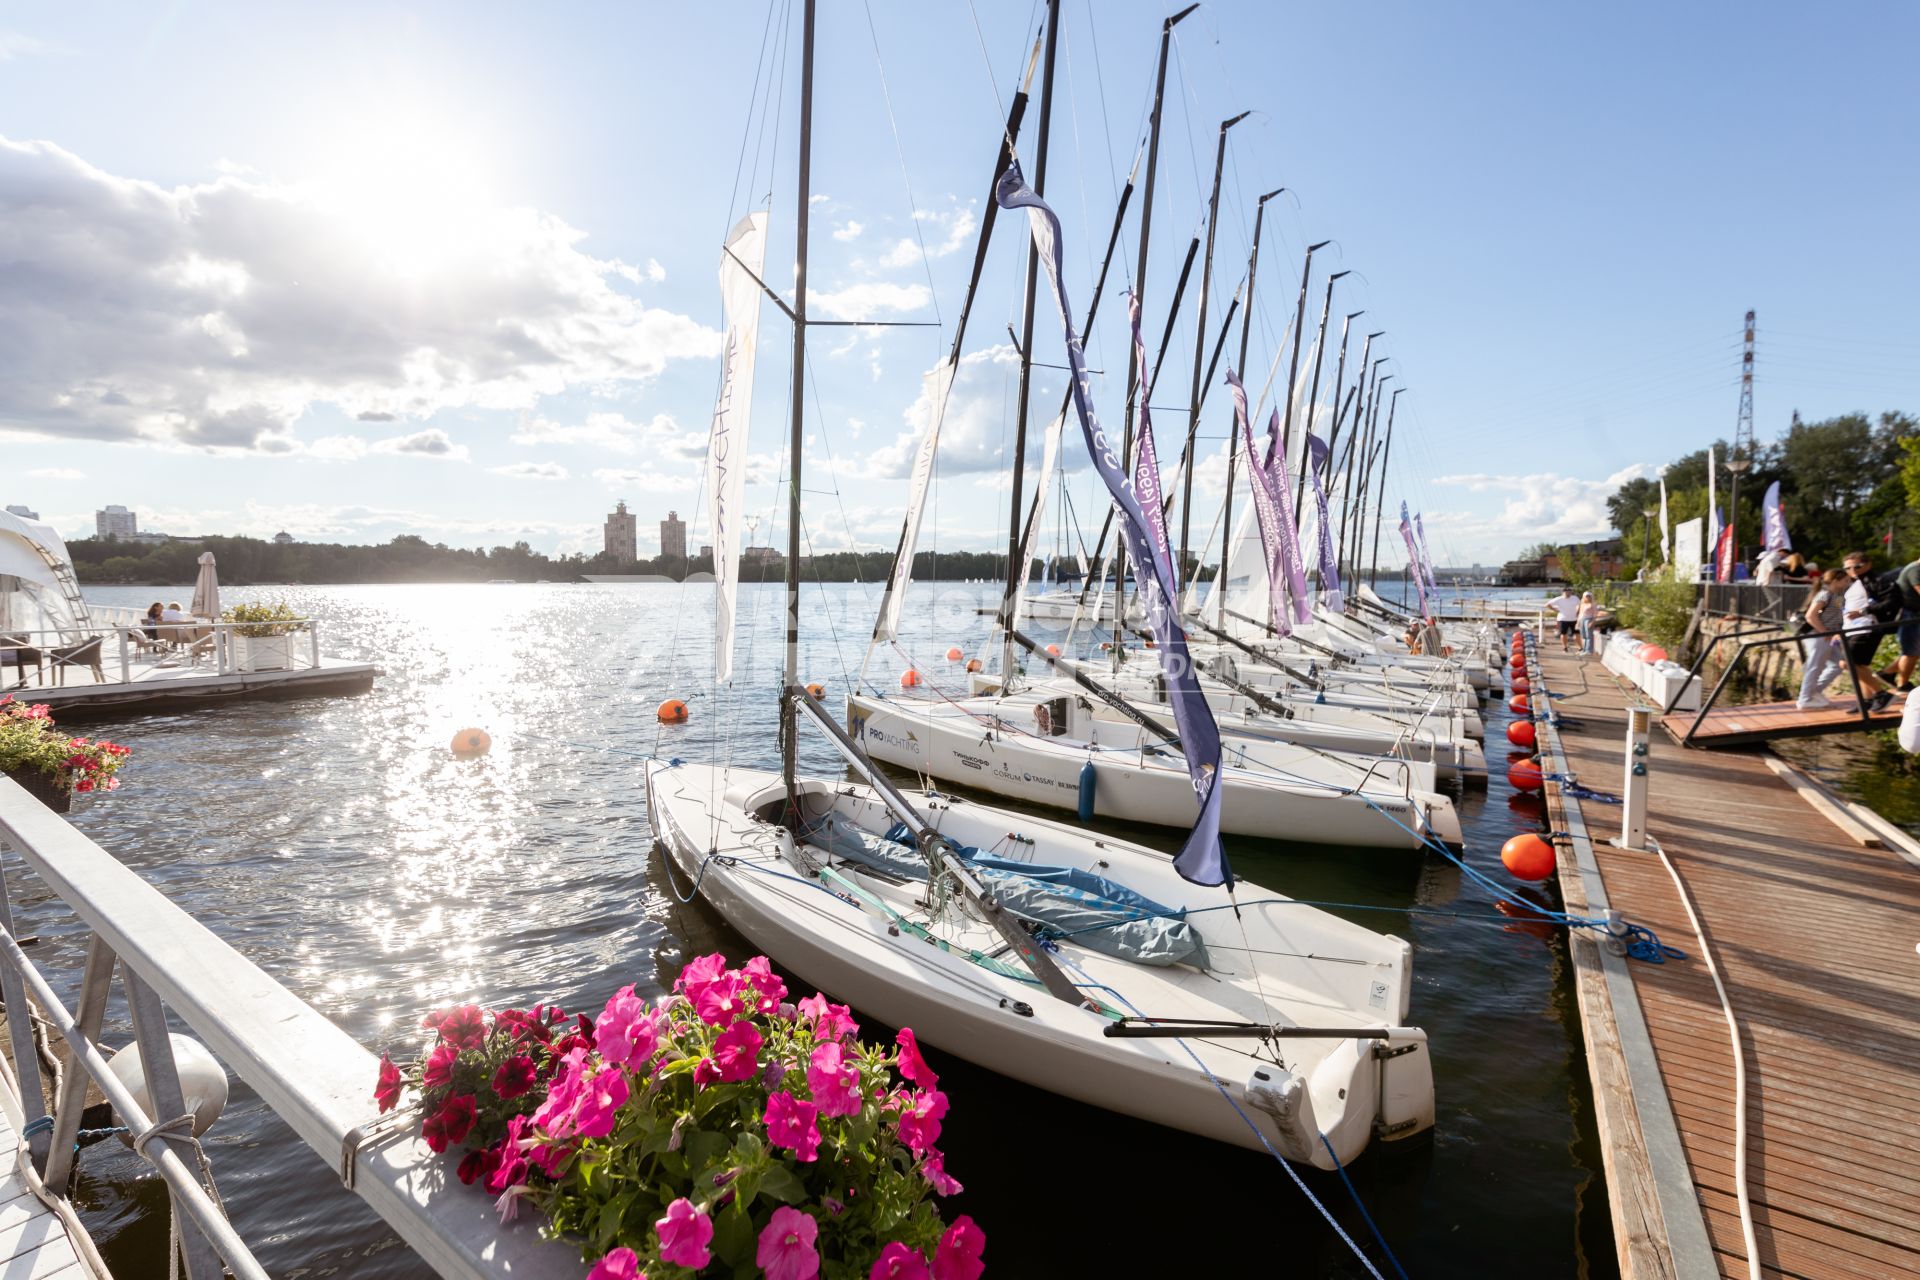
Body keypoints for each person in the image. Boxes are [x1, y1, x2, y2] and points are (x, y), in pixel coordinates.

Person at [1840, 552, 1895, 714]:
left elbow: (1891, 602)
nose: (1852, 570)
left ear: (1868, 564)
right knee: (1860, 665)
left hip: (1867, 627)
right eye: (1848, 567)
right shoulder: (1854, 583)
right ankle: (1867, 700)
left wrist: (1864, 612)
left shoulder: (1877, 581)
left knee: (1847, 663)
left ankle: (1881, 694)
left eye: (1857, 566)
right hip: (1852, 628)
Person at [1796, 568, 1849, 710]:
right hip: (1818, 636)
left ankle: (1814, 691)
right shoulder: (1824, 594)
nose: (1847, 583)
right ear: (1835, 581)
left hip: (1828, 636)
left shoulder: (1837, 595)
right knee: (1815, 666)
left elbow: (1837, 615)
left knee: (1838, 664)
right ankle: (1805, 699)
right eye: (1845, 580)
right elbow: (1810, 615)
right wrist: (1824, 632)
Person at [1892, 555, 1920, 692]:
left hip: (1912, 615)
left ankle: (1887, 673)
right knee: (1910, 652)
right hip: (1910, 615)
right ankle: (1902, 685)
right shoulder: (1916, 570)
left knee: (1913, 651)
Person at [1549, 587, 1580, 652]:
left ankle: (1580, 647)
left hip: (1574, 619)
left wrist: (1577, 611)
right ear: (1563, 592)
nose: (1568, 593)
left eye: (1569, 591)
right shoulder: (1559, 599)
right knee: (1563, 634)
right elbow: (1548, 604)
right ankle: (1565, 647)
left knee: (1577, 633)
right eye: (1566, 591)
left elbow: (1579, 605)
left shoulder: (1575, 598)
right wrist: (1555, 610)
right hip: (1562, 619)